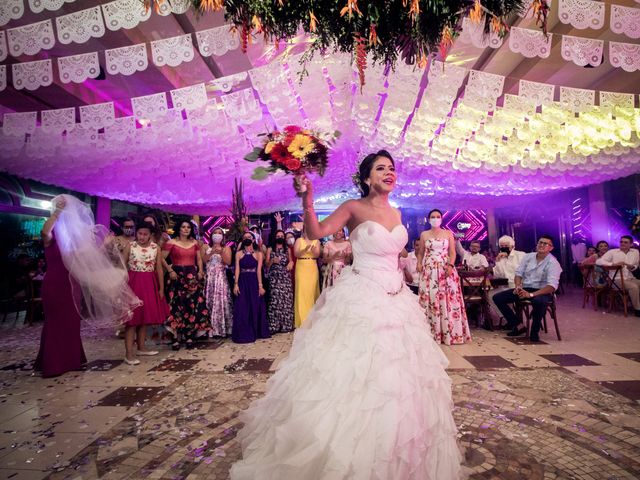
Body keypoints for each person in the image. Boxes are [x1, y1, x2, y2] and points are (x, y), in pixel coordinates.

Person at [230, 150, 462, 480]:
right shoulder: (353, 208)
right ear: (367, 178)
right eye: (381, 168)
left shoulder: (397, 212)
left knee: (401, 381)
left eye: (392, 168)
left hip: (397, 301)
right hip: (361, 298)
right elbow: (315, 232)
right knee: (357, 377)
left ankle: (398, 451)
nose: (389, 172)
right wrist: (308, 200)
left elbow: (395, 257)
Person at [35, 195, 140, 377]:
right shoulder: (51, 238)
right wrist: (58, 212)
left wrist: (104, 246)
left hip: (72, 285)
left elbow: (86, 262)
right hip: (54, 284)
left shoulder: (70, 243)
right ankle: (52, 364)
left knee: (71, 322)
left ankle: (71, 360)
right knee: (55, 322)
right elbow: (45, 232)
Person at [493, 235, 562, 342]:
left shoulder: (553, 263)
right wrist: (518, 287)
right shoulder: (528, 257)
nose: (542, 245)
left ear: (551, 248)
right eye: (540, 242)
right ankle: (518, 325)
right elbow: (518, 274)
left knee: (539, 301)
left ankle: (534, 332)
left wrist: (531, 295)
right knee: (498, 298)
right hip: (525, 288)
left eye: (545, 244)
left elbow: (552, 286)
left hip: (543, 291)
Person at [417, 209, 471, 345]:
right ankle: (431, 333)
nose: (435, 219)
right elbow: (421, 252)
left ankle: (450, 333)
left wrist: (450, 265)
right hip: (429, 269)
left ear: (441, 218)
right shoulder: (424, 234)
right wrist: (418, 263)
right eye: (433, 217)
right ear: (429, 219)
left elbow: (452, 253)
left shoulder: (448, 234)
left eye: (438, 216)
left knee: (448, 299)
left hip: (445, 269)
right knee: (431, 298)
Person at [122, 222, 168, 365]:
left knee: (144, 317)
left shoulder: (156, 248)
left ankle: (141, 347)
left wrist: (161, 288)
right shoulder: (130, 246)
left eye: (145, 234)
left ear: (150, 235)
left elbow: (159, 269)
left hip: (149, 283)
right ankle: (128, 354)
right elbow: (122, 266)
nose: (141, 237)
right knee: (132, 320)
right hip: (133, 283)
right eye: (140, 233)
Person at [163, 220, 210, 350]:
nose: (186, 229)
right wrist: (170, 270)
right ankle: (175, 337)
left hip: (191, 275)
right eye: (183, 227)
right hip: (176, 275)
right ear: (179, 228)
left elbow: (199, 258)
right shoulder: (171, 243)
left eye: (188, 227)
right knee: (176, 305)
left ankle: (190, 335)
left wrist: (200, 271)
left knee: (192, 305)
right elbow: (161, 258)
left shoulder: (194, 243)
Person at [232, 231, 270, 343]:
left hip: (253, 281)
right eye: (245, 238)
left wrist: (260, 286)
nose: (247, 239)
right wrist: (236, 284)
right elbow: (237, 269)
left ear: (253, 239)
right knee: (242, 306)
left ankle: (256, 331)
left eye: (249, 237)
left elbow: (259, 271)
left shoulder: (258, 254)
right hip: (242, 282)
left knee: (255, 305)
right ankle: (243, 331)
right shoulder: (238, 254)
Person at [596, 235, 640, 316]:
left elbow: (636, 265)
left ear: (631, 244)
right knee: (634, 287)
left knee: (636, 284)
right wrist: (613, 264)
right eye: (621, 242)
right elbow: (598, 261)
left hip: (630, 277)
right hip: (616, 279)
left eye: (625, 242)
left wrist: (632, 267)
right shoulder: (612, 252)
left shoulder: (635, 252)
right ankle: (637, 309)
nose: (622, 243)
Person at [202, 227, 233, 337]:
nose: (217, 235)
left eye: (220, 233)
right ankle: (208, 329)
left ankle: (222, 328)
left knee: (221, 300)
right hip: (210, 277)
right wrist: (211, 253)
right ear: (211, 235)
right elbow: (203, 260)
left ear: (223, 236)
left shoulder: (226, 248)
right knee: (208, 301)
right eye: (215, 233)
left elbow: (228, 262)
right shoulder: (206, 247)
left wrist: (220, 253)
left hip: (220, 278)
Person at [490, 235, 527, 327]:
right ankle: (509, 318)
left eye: (506, 246)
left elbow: (522, 271)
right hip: (506, 286)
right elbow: (498, 275)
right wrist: (498, 261)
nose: (504, 248)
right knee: (489, 294)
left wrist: (509, 257)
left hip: (521, 286)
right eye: (501, 246)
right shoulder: (500, 257)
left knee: (498, 297)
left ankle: (512, 322)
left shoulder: (521, 255)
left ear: (512, 246)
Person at [266, 229, 294, 333]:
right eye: (278, 236)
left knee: (285, 300)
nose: (280, 237)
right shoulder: (270, 249)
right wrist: (272, 261)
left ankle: (286, 325)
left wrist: (291, 263)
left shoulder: (287, 249)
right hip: (274, 277)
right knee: (275, 300)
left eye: (282, 236)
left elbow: (291, 260)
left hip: (285, 276)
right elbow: (266, 265)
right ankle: (274, 326)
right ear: (275, 237)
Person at [293, 228, 320, 327]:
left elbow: (317, 255)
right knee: (301, 291)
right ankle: (302, 320)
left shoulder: (316, 241)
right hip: (301, 265)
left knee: (312, 291)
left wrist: (313, 251)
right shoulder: (299, 240)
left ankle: (312, 319)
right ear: (303, 231)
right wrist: (304, 249)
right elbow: (296, 253)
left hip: (312, 266)